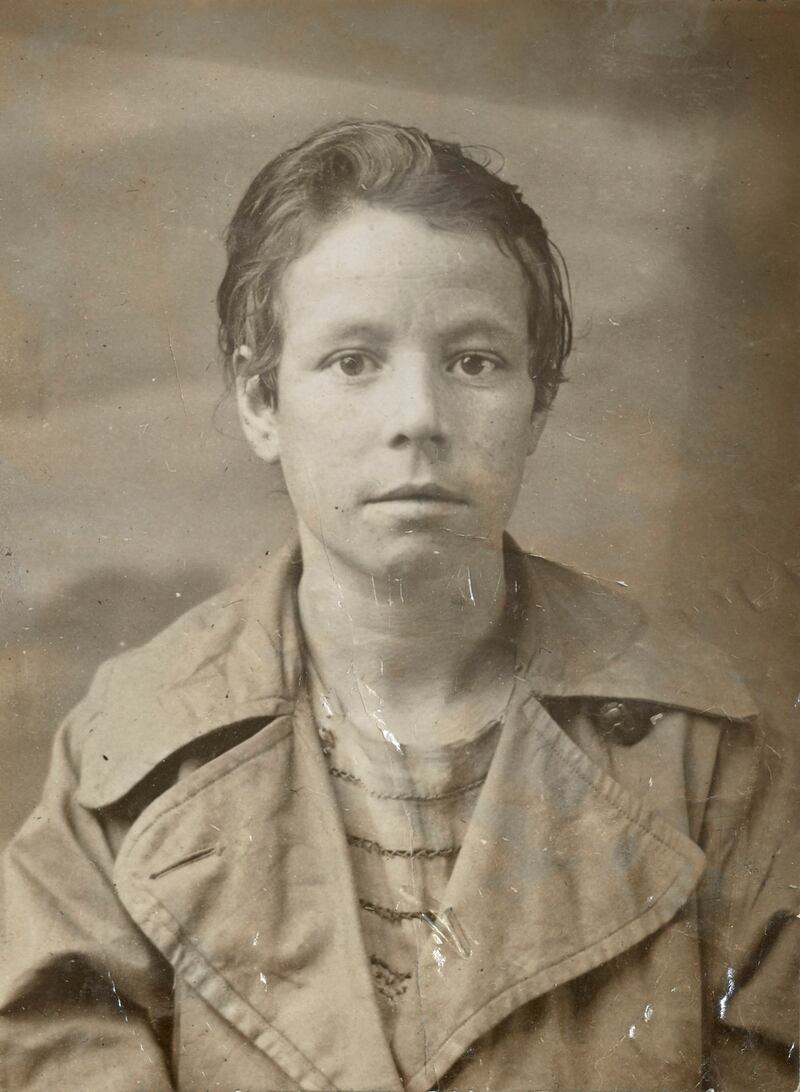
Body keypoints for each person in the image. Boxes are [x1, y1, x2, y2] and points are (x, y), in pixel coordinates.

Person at [1, 119, 797, 1092]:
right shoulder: (129, 758)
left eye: (473, 361)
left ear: (537, 402)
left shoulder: (703, 753)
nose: (417, 419)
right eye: (352, 361)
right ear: (260, 401)